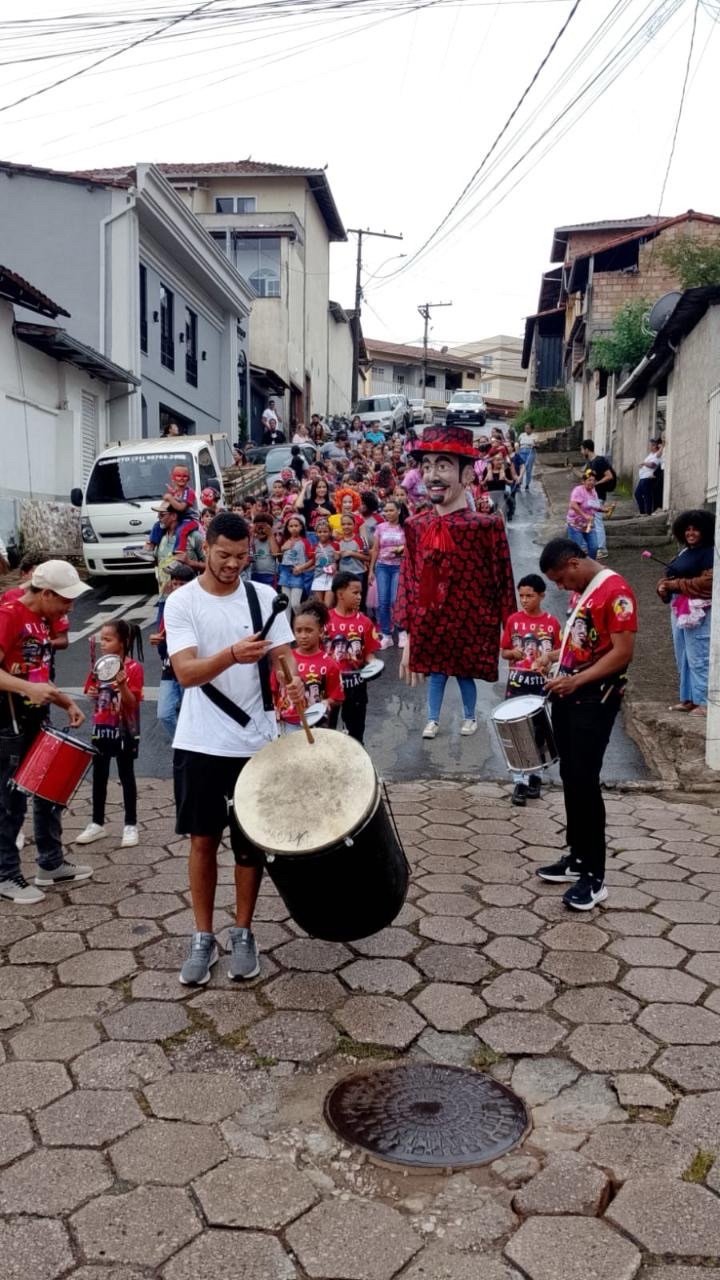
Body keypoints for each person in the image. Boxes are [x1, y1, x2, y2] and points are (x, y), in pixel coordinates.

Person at [164, 512, 303, 987]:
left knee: (250, 848)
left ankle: (243, 931)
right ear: (206, 548)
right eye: (224, 555)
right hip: (201, 740)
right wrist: (231, 656)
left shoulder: (263, 597)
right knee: (202, 841)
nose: (233, 565)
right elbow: (185, 673)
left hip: (257, 743)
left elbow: (284, 657)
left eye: (242, 557)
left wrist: (294, 682)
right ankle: (202, 935)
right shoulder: (182, 603)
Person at [395, 425, 515, 740]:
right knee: (435, 674)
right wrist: (408, 636)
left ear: (466, 476)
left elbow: (503, 579)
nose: (432, 475)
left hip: (470, 623)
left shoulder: (486, 527)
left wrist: (511, 631)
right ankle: (433, 719)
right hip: (431, 623)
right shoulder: (415, 526)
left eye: (443, 466)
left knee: (464, 675)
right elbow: (409, 580)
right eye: (427, 466)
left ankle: (469, 717)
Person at [538, 538, 637, 911]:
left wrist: (576, 680)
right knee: (571, 776)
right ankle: (577, 857)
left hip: (594, 701)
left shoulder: (617, 590)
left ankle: (594, 877)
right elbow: (581, 640)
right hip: (570, 697)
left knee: (585, 782)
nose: (560, 586)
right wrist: (552, 655)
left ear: (574, 563)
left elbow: (623, 652)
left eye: (561, 578)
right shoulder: (586, 592)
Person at [0, 560, 92, 904]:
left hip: (35, 717)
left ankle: (50, 864)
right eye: (66, 600)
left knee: (49, 790)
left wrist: (65, 701)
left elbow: (37, 673)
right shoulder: (8, 614)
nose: (70, 607)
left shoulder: (41, 620)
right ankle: (6, 874)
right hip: (7, 722)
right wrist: (26, 689)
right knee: (9, 802)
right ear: (47, 593)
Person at [76, 621, 144, 849]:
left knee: (126, 775)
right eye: (101, 639)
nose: (102, 644)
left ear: (122, 642)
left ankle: (130, 824)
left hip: (125, 729)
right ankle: (96, 822)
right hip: (101, 726)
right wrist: (93, 693)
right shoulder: (100, 665)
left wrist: (122, 685)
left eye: (108, 640)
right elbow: (89, 691)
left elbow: (132, 702)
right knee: (99, 775)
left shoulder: (133, 668)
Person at [499, 574, 561, 807]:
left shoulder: (552, 622)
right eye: (521, 596)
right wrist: (512, 654)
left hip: (540, 685)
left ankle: (537, 775)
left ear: (542, 595)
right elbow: (504, 650)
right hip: (516, 683)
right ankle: (519, 780)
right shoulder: (513, 620)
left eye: (530, 596)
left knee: (538, 731)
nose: (524, 600)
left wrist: (547, 658)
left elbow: (560, 651)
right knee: (516, 730)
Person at [656, 509, 714, 715]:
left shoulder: (711, 552)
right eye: (687, 529)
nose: (691, 533)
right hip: (679, 609)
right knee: (683, 655)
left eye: (696, 529)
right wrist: (663, 586)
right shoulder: (683, 552)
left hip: (699, 612)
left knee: (699, 655)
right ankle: (689, 698)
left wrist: (675, 585)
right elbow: (669, 575)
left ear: (705, 531)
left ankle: (705, 702)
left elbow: (709, 582)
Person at [271, 600, 343, 732]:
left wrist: (327, 702)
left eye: (309, 630)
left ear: (321, 631)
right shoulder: (285, 659)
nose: (303, 636)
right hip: (285, 724)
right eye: (298, 631)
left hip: (316, 725)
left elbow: (337, 697)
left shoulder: (330, 664)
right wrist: (274, 710)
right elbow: (273, 690)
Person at [325, 572, 380, 743]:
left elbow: (369, 654)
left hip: (356, 685)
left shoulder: (365, 622)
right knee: (325, 734)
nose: (359, 597)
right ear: (340, 594)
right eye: (355, 593)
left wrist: (375, 665)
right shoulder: (325, 621)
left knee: (356, 734)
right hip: (329, 687)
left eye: (360, 593)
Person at [150, 562, 195, 740]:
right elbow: (161, 632)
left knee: (189, 715)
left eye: (181, 584)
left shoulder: (197, 607)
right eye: (174, 583)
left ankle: (189, 749)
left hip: (189, 666)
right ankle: (182, 745)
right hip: (169, 665)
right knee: (164, 713)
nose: (176, 588)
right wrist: (156, 639)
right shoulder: (168, 604)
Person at [368, 498, 406, 649]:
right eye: (386, 510)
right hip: (382, 567)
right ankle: (386, 635)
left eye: (391, 510)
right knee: (383, 602)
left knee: (395, 600)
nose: (388, 513)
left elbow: (409, 547)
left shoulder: (405, 527)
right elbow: (375, 549)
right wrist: (371, 570)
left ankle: (402, 631)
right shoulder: (380, 527)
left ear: (399, 511)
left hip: (399, 567)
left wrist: (400, 551)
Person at [581, 440, 615, 560]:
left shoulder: (599, 461)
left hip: (599, 495)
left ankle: (602, 549)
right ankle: (593, 547)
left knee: (598, 522)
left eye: (582, 449)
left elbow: (609, 475)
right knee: (592, 521)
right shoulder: (590, 463)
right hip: (591, 497)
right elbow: (584, 478)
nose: (581, 452)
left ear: (586, 449)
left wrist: (597, 484)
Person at [565, 471, 610, 560]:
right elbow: (573, 505)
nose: (592, 483)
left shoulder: (594, 492)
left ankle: (590, 565)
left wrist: (603, 509)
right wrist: (584, 515)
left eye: (593, 480)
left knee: (594, 547)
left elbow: (594, 505)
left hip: (588, 524)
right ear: (583, 481)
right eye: (589, 480)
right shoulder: (578, 490)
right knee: (576, 550)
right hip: (575, 524)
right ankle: (574, 569)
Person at [278, 515, 314, 612]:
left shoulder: (305, 542)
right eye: (291, 526)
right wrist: (282, 549)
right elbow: (280, 558)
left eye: (296, 525)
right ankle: (288, 627)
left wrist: (302, 568)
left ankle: (300, 623)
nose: (294, 528)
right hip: (285, 573)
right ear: (287, 528)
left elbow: (312, 559)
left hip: (297, 574)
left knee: (295, 604)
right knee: (286, 605)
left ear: (301, 527)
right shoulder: (285, 541)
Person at [310, 519, 338, 604]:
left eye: (325, 531)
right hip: (318, 577)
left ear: (330, 532)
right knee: (319, 605)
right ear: (316, 533)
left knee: (328, 605)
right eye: (320, 532)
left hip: (331, 577)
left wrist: (335, 564)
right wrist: (301, 568)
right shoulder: (314, 547)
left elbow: (339, 560)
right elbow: (312, 562)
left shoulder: (336, 545)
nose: (322, 534)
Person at [249, 514, 279, 587]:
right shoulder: (253, 539)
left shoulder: (273, 539)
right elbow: (249, 551)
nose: (261, 529)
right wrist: (252, 534)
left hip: (269, 574)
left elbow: (275, 553)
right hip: (254, 573)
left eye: (263, 526)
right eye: (258, 526)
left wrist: (270, 535)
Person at [635, 439, 662, 515]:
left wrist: (644, 463)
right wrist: (642, 465)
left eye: (651, 445)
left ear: (655, 446)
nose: (649, 447)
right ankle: (642, 512)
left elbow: (653, 465)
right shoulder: (650, 455)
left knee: (647, 495)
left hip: (648, 477)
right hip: (643, 477)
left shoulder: (657, 455)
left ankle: (648, 512)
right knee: (637, 494)